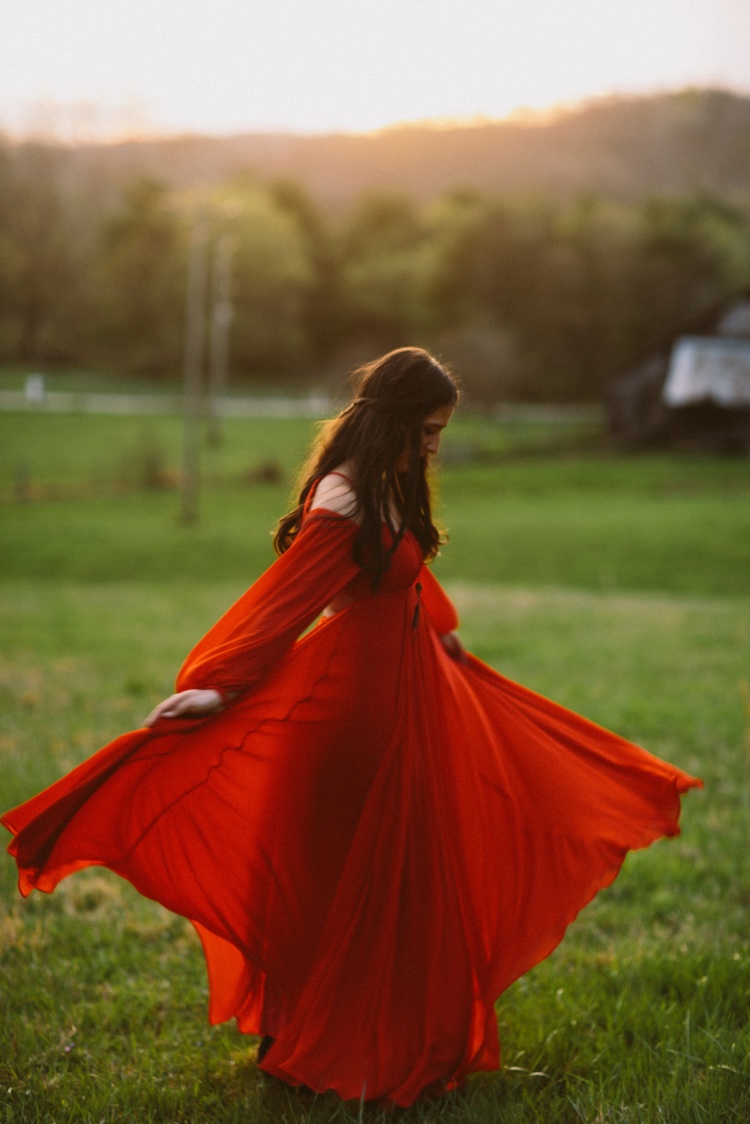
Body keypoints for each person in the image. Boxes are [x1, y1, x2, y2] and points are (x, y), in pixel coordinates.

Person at [2, 347, 701, 1108]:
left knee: (400, 872)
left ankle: (378, 1035)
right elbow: (287, 601)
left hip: (405, 694)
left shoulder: (391, 482)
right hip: (349, 711)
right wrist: (216, 689)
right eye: (428, 430)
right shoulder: (344, 497)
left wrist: (438, 628)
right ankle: (331, 1043)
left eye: (440, 432)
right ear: (397, 420)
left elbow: (406, 571)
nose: (435, 445)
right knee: (345, 876)